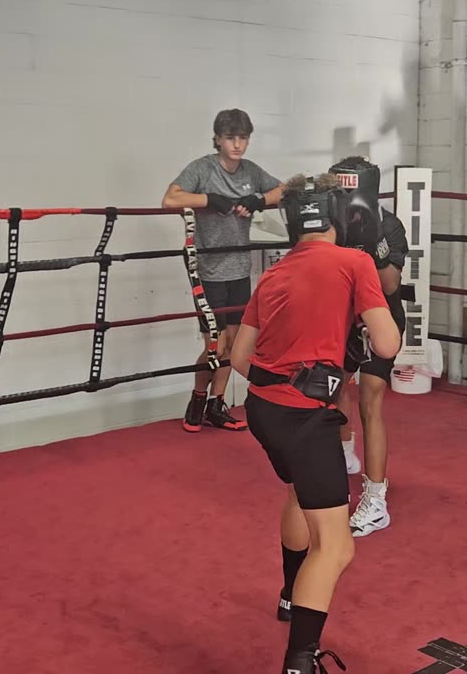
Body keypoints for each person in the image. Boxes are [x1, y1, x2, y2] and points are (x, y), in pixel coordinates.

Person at [229, 173, 401, 674]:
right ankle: (299, 662)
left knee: (297, 496)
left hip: (263, 410)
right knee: (337, 544)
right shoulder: (356, 261)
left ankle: (289, 594)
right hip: (307, 418)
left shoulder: (275, 272)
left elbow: (241, 357)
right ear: (342, 215)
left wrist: (296, 372)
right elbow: (388, 345)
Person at [162, 109, 284, 433]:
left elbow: (284, 190)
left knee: (234, 341)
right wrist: (207, 199)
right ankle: (198, 399)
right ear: (218, 138)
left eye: (243, 137)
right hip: (210, 269)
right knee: (214, 343)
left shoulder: (250, 171)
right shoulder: (203, 168)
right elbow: (169, 198)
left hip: (239, 269)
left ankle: (217, 404)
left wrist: (258, 199)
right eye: (231, 137)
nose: (237, 144)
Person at [329, 157, 408, 538]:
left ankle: (376, 500)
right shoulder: (331, 223)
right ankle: (345, 453)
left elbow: (391, 285)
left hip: (381, 318)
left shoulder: (389, 225)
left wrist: (374, 243)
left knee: (370, 399)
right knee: (336, 386)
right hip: (343, 318)